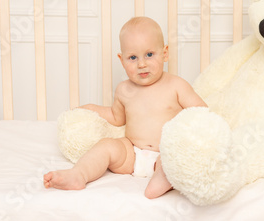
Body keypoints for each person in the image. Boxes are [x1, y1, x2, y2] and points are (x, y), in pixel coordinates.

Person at [43, 16, 207, 199]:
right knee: (105, 146)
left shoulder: (176, 85)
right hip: (132, 154)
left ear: (165, 53)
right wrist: (91, 108)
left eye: (150, 54)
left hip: (164, 151)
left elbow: (201, 113)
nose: (141, 64)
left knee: (173, 158)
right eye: (133, 57)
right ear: (122, 60)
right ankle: (79, 174)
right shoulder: (124, 89)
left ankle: (163, 178)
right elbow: (116, 117)